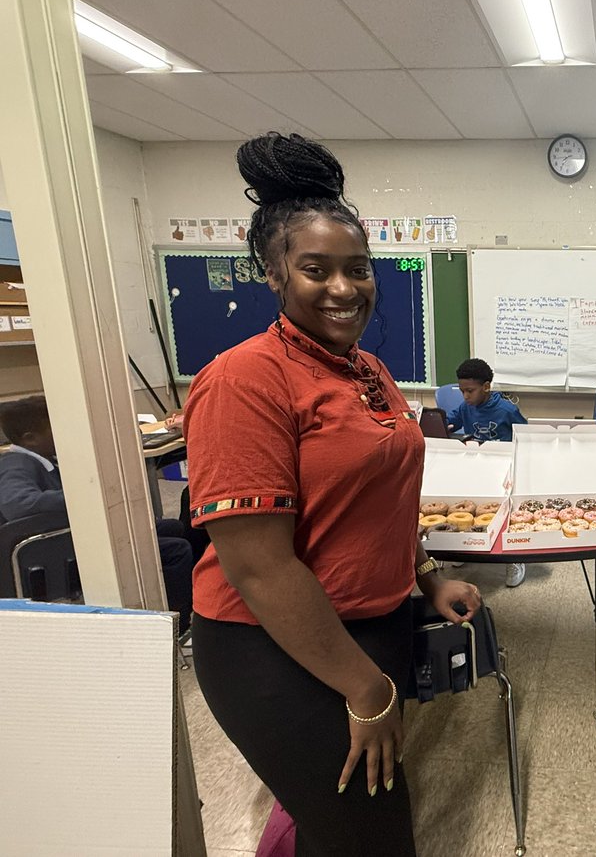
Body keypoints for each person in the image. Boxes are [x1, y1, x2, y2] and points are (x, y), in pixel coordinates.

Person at [183, 132, 480, 856]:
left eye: (358, 269)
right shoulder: (242, 379)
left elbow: (380, 499)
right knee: (372, 837)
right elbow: (259, 569)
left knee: (335, 826)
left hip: (369, 624)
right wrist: (367, 690)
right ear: (274, 272)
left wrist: (426, 577)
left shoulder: (367, 369)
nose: (344, 288)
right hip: (271, 644)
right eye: (316, 269)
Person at [0, 395, 195, 629]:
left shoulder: (41, 458)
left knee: (170, 527)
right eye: (54, 428)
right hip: (58, 548)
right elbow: (18, 504)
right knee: (177, 550)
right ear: (30, 439)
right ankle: (176, 627)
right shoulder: (17, 464)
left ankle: (180, 598)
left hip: (74, 534)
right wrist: (85, 498)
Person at [446, 358, 528, 587]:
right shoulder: (466, 407)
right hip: (477, 465)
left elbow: (524, 435)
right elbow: (451, 420)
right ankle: (465, 546)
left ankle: (515, 559)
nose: (465, 396)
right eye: (462, 391)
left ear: (486, 386)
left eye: (470, 391)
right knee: (467, 502)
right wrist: (443, 424)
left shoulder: (507, 409)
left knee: (505, 511)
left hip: (503, 467)